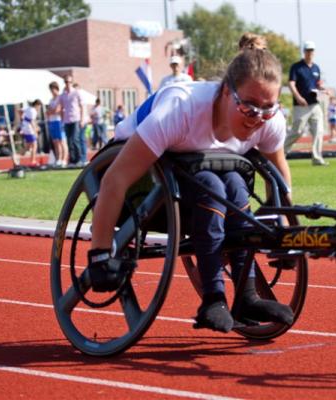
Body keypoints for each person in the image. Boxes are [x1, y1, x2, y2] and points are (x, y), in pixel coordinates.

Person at [90, 35, 294, 333]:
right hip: (140, 180)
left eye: (268, 109)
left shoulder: (269, 121)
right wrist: (99, 254)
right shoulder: (180, 110)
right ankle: (213, 297)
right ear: (226, 92)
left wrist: (284, 231)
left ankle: (247, 296)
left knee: (236, 186)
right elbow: (115, 178)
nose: (257, 118)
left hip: (198, 175)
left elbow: (278, 177)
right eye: (248, 107)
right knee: (211, 186)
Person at [284, 40, 329, 166]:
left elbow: (318, 83)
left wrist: (322, 89)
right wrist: (298, 97)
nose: (310, 53)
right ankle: (281, 153)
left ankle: (317, 157)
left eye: (311, 50)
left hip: (315, 104)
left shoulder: (316, 68)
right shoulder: (296, 67)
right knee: (297, 132)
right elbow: (291, 83)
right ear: (304, 52)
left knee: (319, 131)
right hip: (301, 105)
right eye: (308, 50)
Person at [57, 75, 85, 165]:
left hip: (75, 118)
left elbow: (82, 106)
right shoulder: (62, 95)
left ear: (72, 83)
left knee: (75, 139)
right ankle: (72, 160)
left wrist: (82, 119)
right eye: (66, 82)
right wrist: (62, 120)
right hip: (67, 120)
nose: (67, 84)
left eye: (69, 82)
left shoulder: (77, 93)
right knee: (69, 140)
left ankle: (80, 159)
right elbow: (61, 108)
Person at [47, 81, 68, 167]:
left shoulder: (59, 98)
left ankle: (64, 159)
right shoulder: (51, 100)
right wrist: (51, 111)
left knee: (62, 141)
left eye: (53, 89)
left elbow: (57, 110)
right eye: (51, 90)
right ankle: (58, 158)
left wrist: (52, 111)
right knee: (55, 142)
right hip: (52, 121)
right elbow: (48, 112)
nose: (52, 91)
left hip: (59, 121)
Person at [20, 99, 42, 166]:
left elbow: (20, 111)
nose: (39, 108)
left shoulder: (29, 109)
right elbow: (32, 121)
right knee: (34, 145)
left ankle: (17, 155)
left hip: (26, 128)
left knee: (28, 146)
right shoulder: (33, 111)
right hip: (29, 129)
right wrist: (35, 131)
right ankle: (33, 161)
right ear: (37, 105)